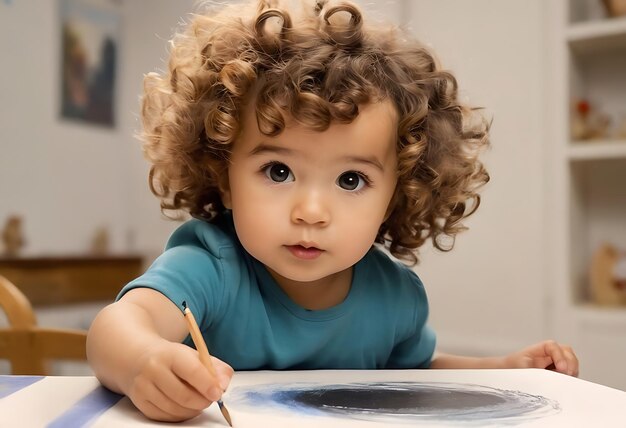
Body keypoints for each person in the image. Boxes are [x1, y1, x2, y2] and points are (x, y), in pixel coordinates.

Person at [86, 0, 579, 422]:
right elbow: (116, 328)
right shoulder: (210, 264)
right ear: (223, 175)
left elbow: (413, 374)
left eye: (351, 180)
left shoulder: (394, 296)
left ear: (396, 196)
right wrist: (143, 361)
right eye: (278, 171)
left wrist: (509, 369)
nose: (312, 211)